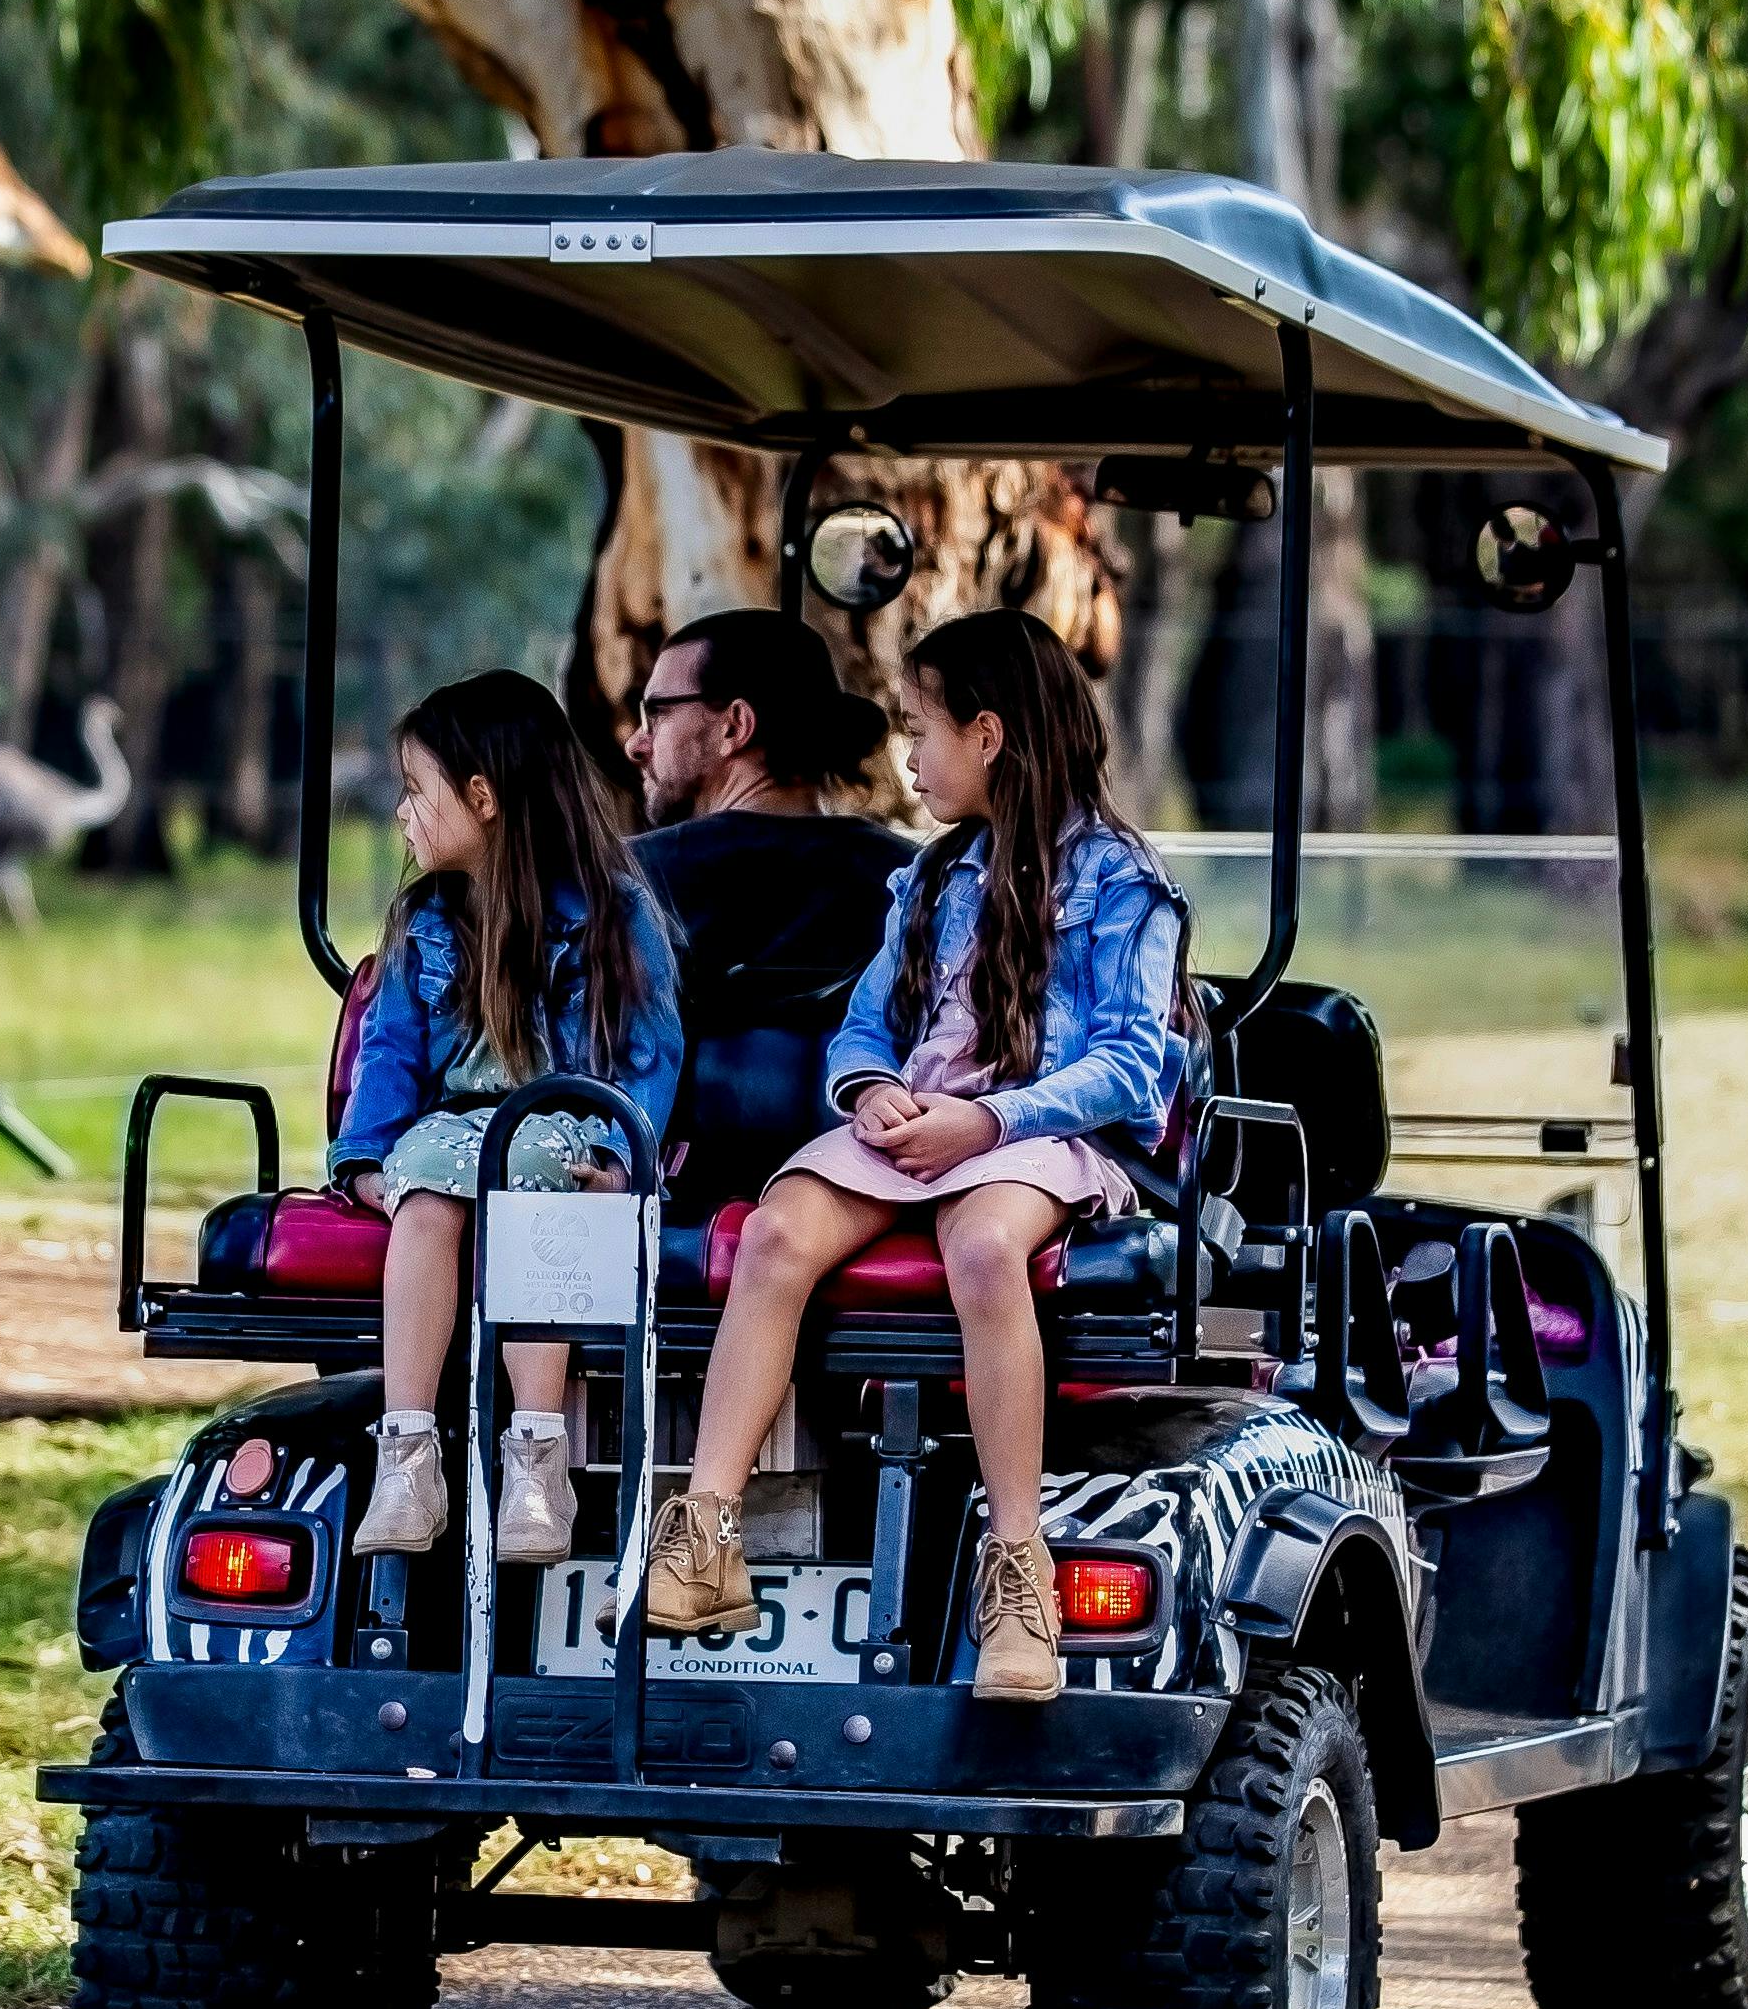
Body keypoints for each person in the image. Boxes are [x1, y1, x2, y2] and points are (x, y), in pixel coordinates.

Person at [638, 608, 1188, 1699]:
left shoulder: (1120, 882)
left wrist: (984, 1123)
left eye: (920, 730)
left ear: (987, 733)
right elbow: (862, 1025)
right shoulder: (931, 878)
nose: (908, 758)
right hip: (915, 1127)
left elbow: (1133, 1064)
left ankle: (1018, 1574)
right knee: (776, 1230)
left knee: (984, 1250)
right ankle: (702, 1536)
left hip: (1039, 1133)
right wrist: (873, 1088)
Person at [330, 670, 686, 1564]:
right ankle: (407, 1454)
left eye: (418, 791)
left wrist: (622, 1153)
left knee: (530, 1181)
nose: (404, 815)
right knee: (427, 1195)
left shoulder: (612, 914)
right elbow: (391, 1053)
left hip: (568, 1127)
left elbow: (645, 1054)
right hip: (459, 1128)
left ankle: (538, 1456)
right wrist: (367, 1157)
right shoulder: (427, 919)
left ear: (483, 798)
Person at [624, 608, 913, 1035]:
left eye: (657, 715)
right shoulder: (918, 878)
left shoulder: (626, 879)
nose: (635, 744)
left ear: (734, 726)